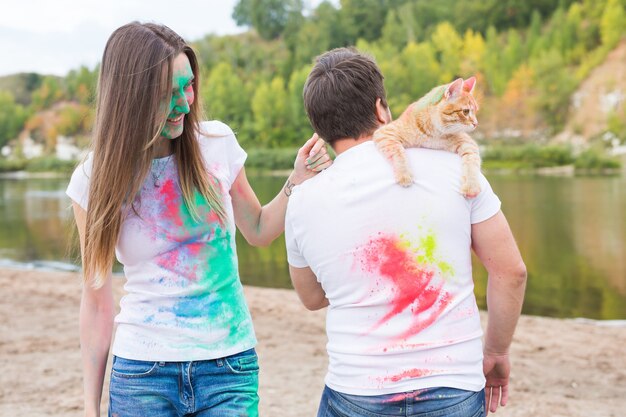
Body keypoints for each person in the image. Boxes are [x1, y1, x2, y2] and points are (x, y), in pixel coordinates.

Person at [66, 22, 330, 417]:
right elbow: (97, 299)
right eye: (168, 94)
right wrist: (90, 406)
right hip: (142, 374)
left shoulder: (216, 144)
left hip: (229, 367)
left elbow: (258, 229)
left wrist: (296, 180)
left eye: (188, 86)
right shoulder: (93, 178)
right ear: (130, 98)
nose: (186, 103)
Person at [285, 47, 527, 417]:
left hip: (358, 389)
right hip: (453, 385)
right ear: (381, 109)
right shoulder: (457, 170)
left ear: (319, 129)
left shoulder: (302, 201)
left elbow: (312, 298)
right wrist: (496, 352)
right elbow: (511, 272)